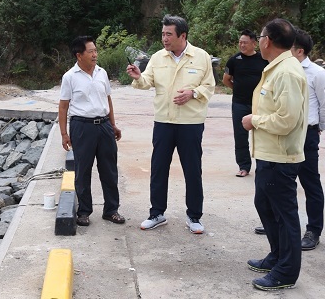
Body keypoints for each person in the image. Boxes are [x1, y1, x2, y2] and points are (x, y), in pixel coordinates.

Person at [126, 15, 215, 234]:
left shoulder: (201, 57)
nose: (164, 39)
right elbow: (146, 82)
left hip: (190, 124)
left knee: (192, 170)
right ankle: (156, 213)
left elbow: (209, 86)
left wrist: (193, 93)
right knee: (158, 169)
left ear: (182, 36)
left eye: (169, 34)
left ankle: (194, 216)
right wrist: (138, 77)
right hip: (164, 122)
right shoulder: (157, 58)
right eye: (163, 34)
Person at [241, 18, 307, 291]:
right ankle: (277, 255)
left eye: (260, 37)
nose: (258, 41)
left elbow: (287, 119)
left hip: (280, 157)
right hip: (268, 155)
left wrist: (255, 120)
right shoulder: (277, 68)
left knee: (285, 214)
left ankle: (286, 272)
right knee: (265, 206)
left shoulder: (287, 73)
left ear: (267, 41)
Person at [58, 35, 125, 227]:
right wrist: (64, 133)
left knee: (109, 170)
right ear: (79, 55)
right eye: (91, 51)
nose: (95, 54)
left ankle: (111, 210)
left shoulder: (102, 73)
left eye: (96, 50)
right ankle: (84, 211)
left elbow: (108, 100)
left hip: (104, 125)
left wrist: (113, 125)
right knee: (83, 170)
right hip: (81, 127)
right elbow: (63, 107)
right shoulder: (70, 77)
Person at [290, 28, 324, 250]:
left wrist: (317, 129)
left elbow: (324, 105)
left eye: (289, 47)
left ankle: (313, 229)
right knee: (283, 181)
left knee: (310, 183)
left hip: (307, 134)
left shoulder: (316, 73)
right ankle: (284, 222)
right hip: (285, 133)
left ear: (300, 50)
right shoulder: (283, 69)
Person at [222, 30, 268, 178]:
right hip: (240, 103)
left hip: (260, 104)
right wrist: (238, 90)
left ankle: (265, 165)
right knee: (240, 136)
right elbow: (226, 79)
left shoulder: (264, 59)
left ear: (254, 43)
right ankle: (244, 166)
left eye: (245, 42)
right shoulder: (234, 60)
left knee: (263, 134)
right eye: (240, 42)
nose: (241, 45)